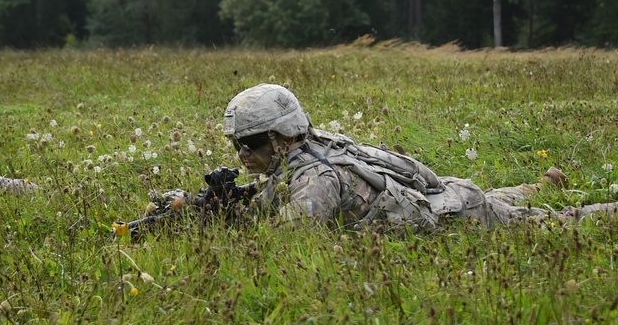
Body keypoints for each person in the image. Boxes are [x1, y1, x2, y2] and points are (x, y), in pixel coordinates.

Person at [220, 83, 617, 230]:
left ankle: (607, 210)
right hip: (445, 198)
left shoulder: (314, 177)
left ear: (279, 137)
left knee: (554, 224)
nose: (242, 154)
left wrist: (226, 223)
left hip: (456, 216)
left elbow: (290, 235)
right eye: (236, 144)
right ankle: (537, 185)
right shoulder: (308, 150)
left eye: (250, 143)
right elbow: (271, 198)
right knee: (491, 197)